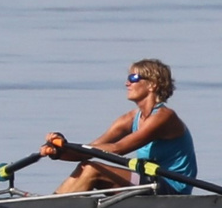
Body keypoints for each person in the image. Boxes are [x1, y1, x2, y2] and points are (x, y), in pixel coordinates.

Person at [43, 58, 197, 194]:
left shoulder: (164, 117)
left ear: (152, 85)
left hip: (172, 188)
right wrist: (59, 150)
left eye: (133, 78)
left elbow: (118, 149)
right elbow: (90, 150)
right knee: (85, 166)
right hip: (149, 182)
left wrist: (71, 147)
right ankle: (51, 206)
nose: (127, 83)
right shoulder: (129, 119)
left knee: (93, 169)